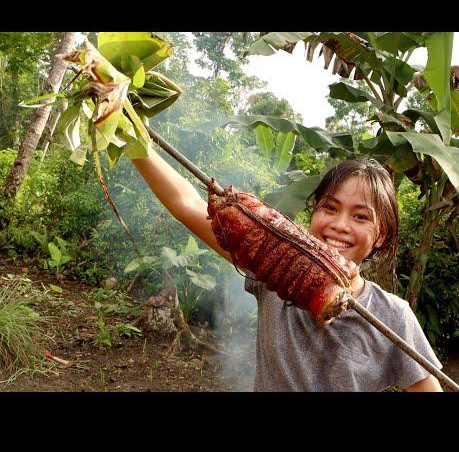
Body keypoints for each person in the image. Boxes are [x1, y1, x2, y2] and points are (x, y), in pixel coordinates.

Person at [132, 147, 443, 392]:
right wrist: (131, 138)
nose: (339, 225)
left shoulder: (392, 315)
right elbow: (187, 203)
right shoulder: (277, 267)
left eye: (360, 217)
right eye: (330, 208)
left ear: (381, 234)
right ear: (315, 211)